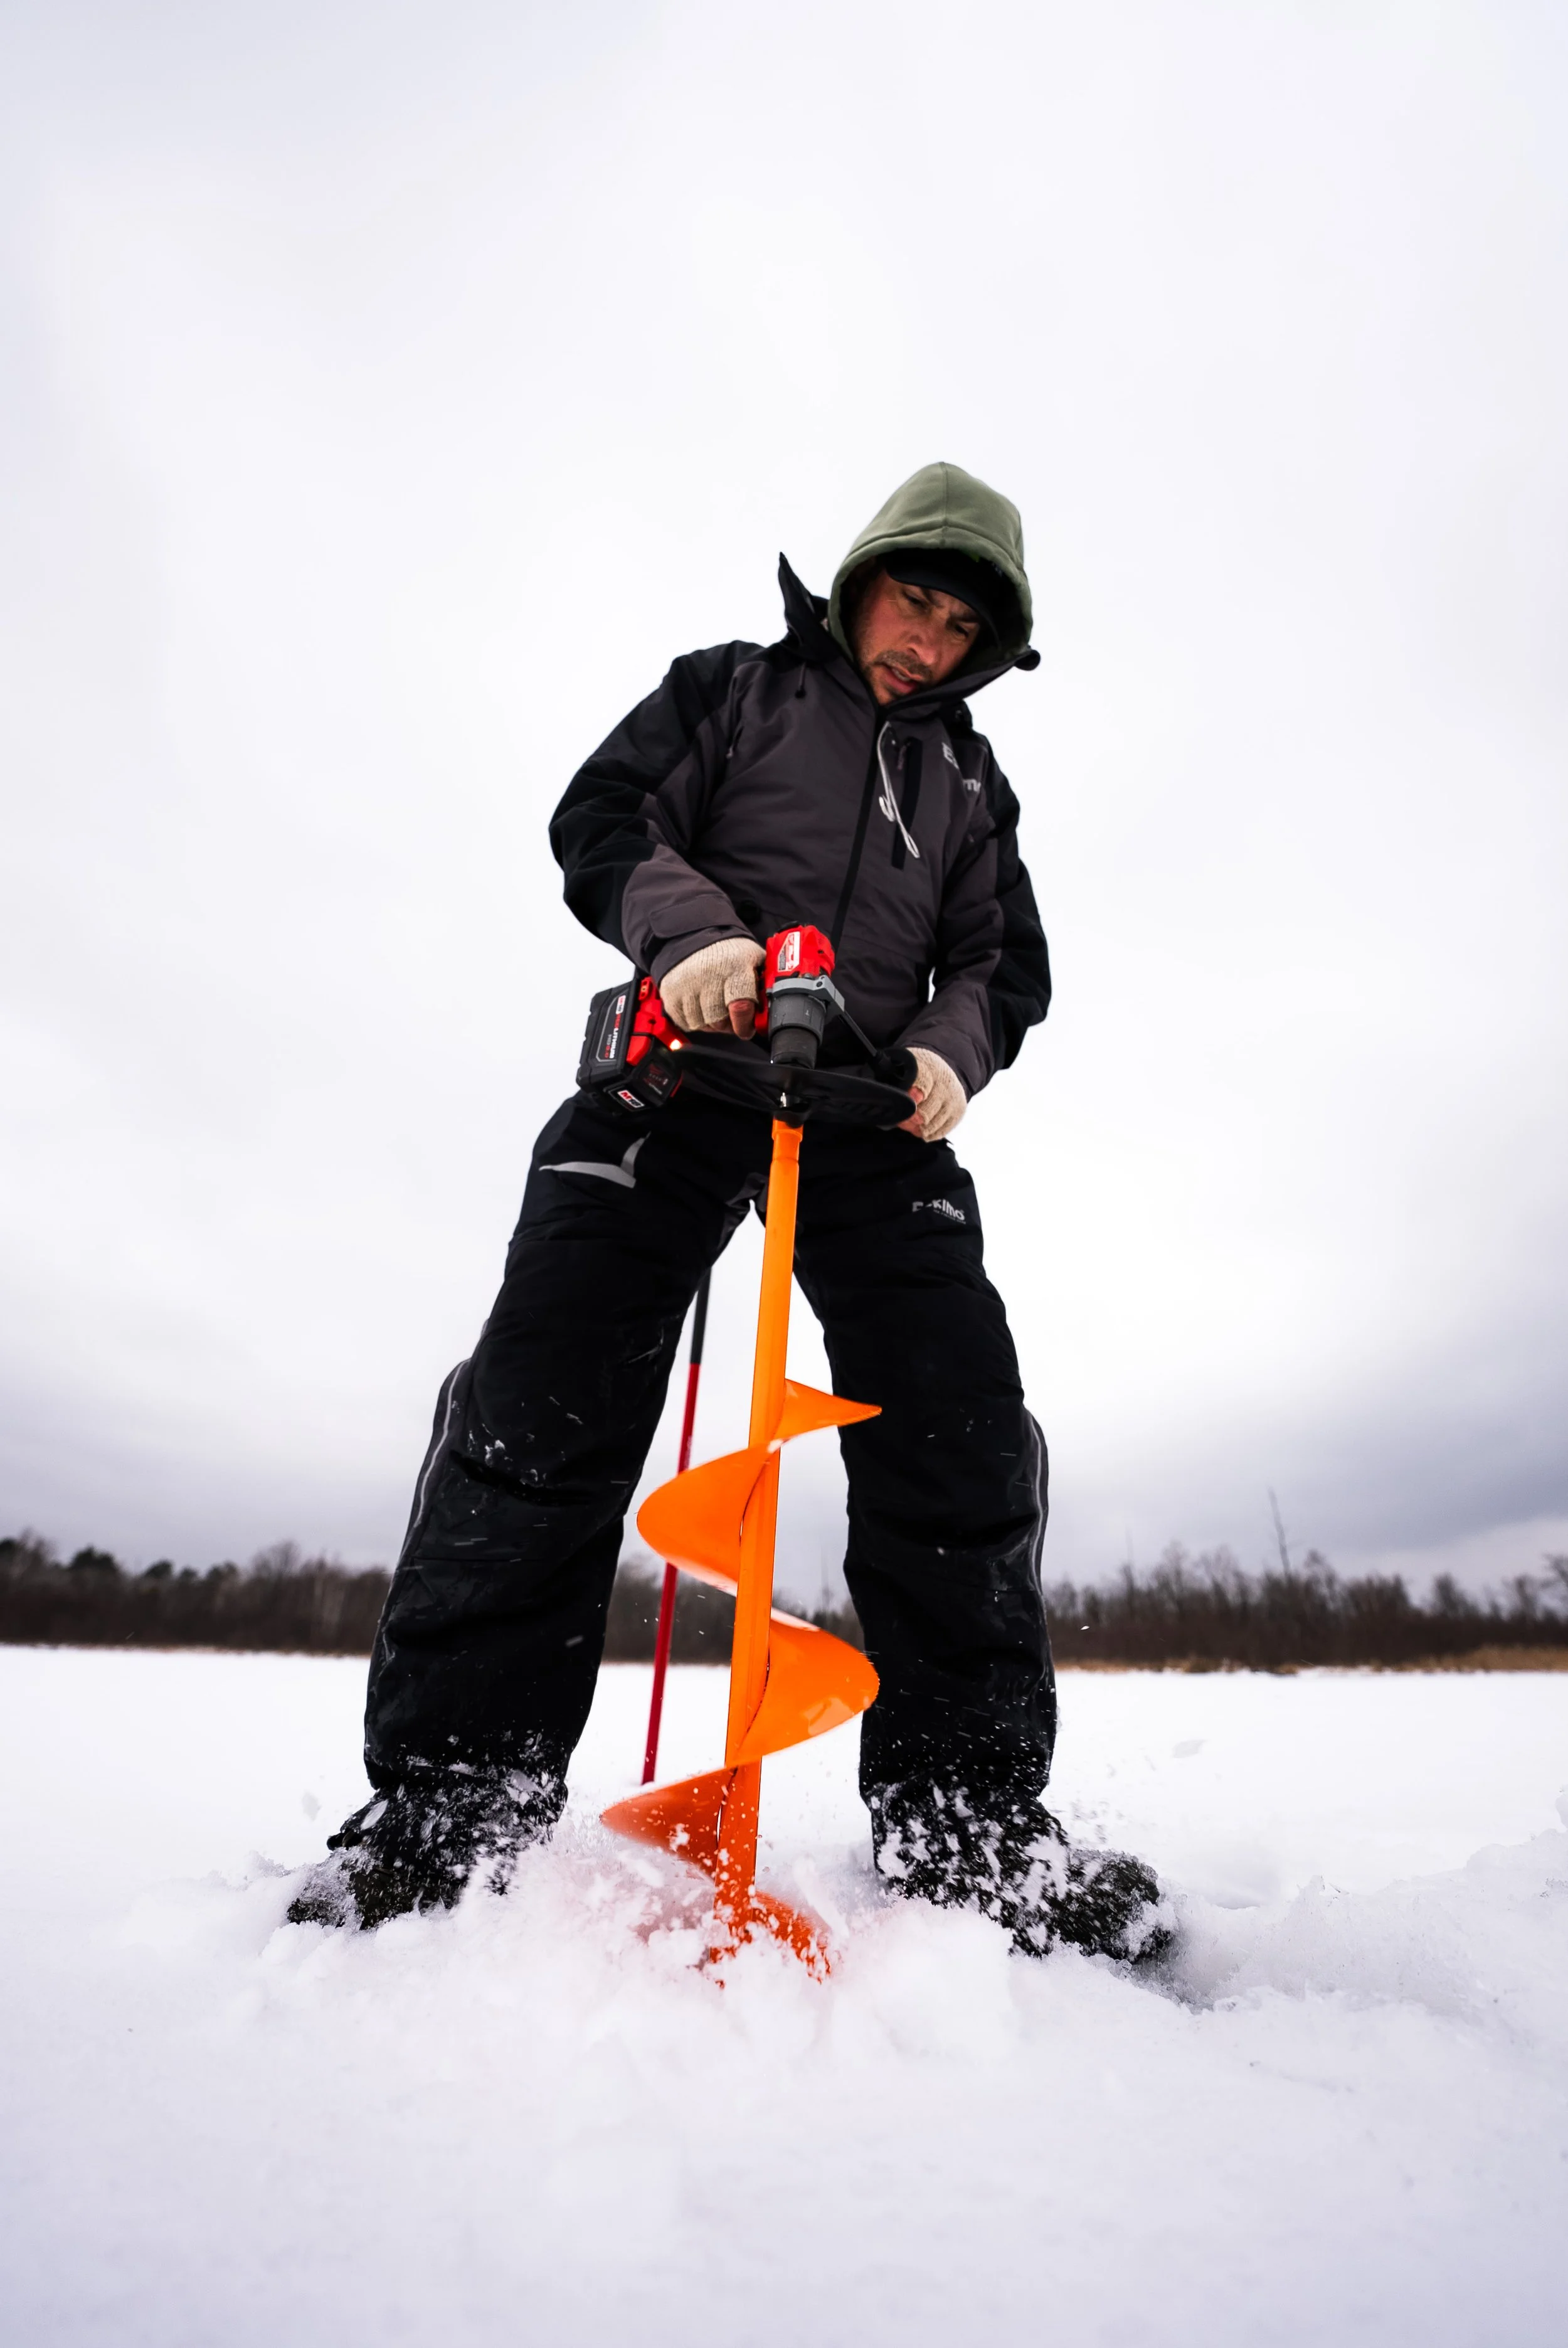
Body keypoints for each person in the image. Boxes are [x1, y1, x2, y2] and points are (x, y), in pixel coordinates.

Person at [291, 462, 1170, 1960]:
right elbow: (604, 818)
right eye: (915, 599)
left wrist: (948, 1056)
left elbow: (998, 963)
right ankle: (452, 1805)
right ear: (862, 576)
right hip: (680, 1073)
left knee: (958, 1426)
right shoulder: (730, 691)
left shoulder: (968, 782)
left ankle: (969, 1828)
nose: (930, 641)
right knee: (539, 1404)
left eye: (965, 626)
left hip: (863, 1117)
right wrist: (692, 939)